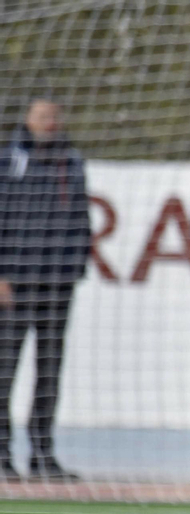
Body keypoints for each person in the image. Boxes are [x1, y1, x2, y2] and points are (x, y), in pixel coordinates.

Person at [0, 98, 91, 483]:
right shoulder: (10, 161)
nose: (49, 122)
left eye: (55, 115)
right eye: (42, 117)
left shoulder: (71, 162)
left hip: (57, 284)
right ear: (28, 120)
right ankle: (3, 453)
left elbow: (81, 219)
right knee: (6, 370)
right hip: (15, 284)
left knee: (49, 372)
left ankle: (42, 453)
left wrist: (75, 267)